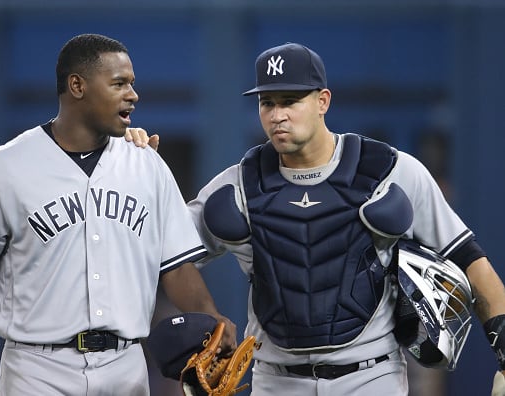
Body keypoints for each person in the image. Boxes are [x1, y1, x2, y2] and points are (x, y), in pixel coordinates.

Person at [0, 33, 236, 396]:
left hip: (125, 366)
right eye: (119, 84)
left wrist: (212, 318)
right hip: (37, 369)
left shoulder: (146, 164)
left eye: (132, 83)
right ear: (77, 85)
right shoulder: (4, 167)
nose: (133, 94)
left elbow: (174, 265)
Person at [181, 42, 505, 395]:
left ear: (323, 101)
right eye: (267, 103)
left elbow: (470, 259)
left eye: (290, 101)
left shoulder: (390, 171)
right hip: (276, 379)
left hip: (370, 377)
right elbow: (167, 255)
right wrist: (136, 166)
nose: (277, 115)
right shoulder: (239, 184)